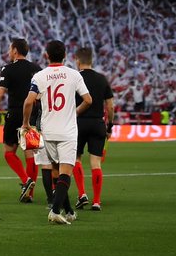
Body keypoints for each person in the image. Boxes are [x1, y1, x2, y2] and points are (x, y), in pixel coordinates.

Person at [23, 39, 92, 225]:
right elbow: (88, 100)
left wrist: (25, 124)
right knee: (65, 173)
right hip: (67, 131)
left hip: (48, 130)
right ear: (65, 55)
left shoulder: (39, 76)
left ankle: (68, 211)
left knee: (56, 171)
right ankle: (54, 211)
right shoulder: (74, 75)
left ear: (46, 56)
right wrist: (74, 112)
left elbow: (28, 102)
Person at [0, 37, 42, 202]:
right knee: (30, 154)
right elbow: (41, 94)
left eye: (10, 49)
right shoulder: (36, 69)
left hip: (15, 113)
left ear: (15, 50)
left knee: (9, 152)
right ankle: (29, 194)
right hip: (32, 114)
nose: (9, 52)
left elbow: (0, 93)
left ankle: (25, 180)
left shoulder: (8, 69)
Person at [71, 46, 113, 212]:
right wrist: (110, 125)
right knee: (96, 163)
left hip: (78, 123)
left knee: (76, 159)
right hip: (97, 123)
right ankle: (96, 201)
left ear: (77, 61)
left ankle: (82, 194)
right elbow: (110, 106)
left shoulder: (75, 78)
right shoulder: (102, 79)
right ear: (91, 60)